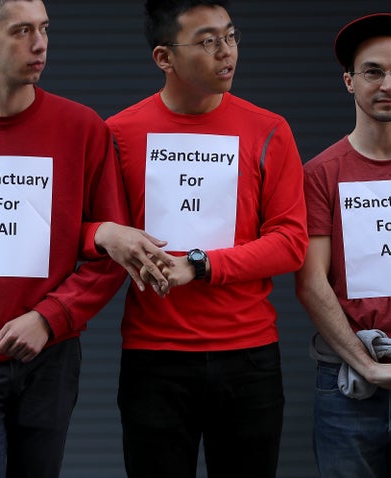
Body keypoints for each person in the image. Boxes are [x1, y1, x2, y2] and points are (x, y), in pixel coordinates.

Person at [0, 1, 172, 476]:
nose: (40, 43)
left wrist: (47, 319)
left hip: (52, 359)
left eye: (44, 28)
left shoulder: (82, 128)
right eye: (21, 31)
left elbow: (111, 254)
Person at [105, 1, 308, 476]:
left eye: (231, 36)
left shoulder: (269, 130)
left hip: (249, 357)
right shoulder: (118, 134)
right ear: (164, 58)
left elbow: (291, 240)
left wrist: (199, 264)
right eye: (208, 41)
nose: (227, 52)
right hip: (154, 358)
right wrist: (105, 233)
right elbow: (85, 228)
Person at [295, 12, 391, 477]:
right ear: (349, 82)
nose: (387, 83)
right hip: (348, 387)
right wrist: (368, 367)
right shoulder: (320, 174)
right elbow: (312, 282)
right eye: (373, 71)